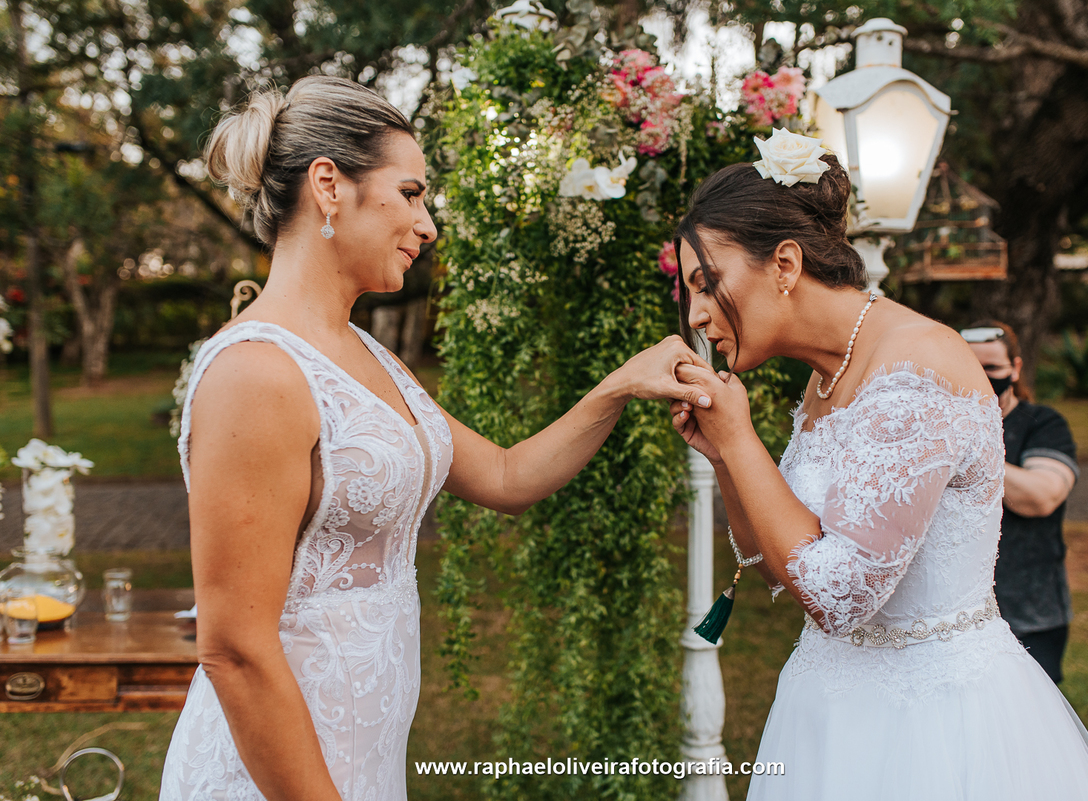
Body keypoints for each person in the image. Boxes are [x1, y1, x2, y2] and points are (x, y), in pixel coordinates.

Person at [158, 76, 712, 801]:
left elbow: (508, 476)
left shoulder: (366, 354)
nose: (428, 226)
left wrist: (618, 387)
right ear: (329, 185)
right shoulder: (255, 373)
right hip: (274, 777)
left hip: (364, 761)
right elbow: (233, 649)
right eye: (411, 193)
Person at [667, 131, 1088, 800]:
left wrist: (741, 442)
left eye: (707, 284)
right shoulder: (830, 375)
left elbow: (840, 597)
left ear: (785, 264)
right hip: (826, 707)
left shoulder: (917, 365)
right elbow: (773, 562)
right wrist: (727, 459)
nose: (698, 314)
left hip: (934, 728)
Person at [962, 320, 1078, 684]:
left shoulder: (1043, 423)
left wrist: (967, 443)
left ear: (1016, 368)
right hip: (959, 615)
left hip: (1032, 613)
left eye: (992, 368)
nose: (982, 378)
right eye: (970, 368)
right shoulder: (935, 429)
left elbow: (1040, 497)